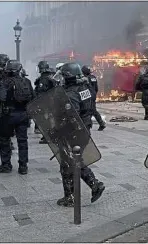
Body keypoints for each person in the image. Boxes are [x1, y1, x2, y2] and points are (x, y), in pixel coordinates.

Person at [56, 62, 105, 207]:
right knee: (74, 160)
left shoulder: (71, 93)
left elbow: (72, 115)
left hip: (73, 131)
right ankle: (90, 186)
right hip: (85, 128)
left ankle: (90, 186)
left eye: (64, 76)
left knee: (68, 162)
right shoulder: (85, 87)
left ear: (68, 76)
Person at [0, 60, 34, 174]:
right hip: (23, 115)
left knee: (4, 140)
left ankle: (6, 165)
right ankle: (23, 166)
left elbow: (1, 98)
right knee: (22, 141)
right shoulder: (27, 81)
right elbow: (33, 98)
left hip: (7, 116)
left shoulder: (4, 82)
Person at [34, 61, 57, 142]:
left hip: (45, 103)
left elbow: (41, 92)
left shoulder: (43, 79)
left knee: (45, 120)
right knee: (50, 119)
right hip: (51, 102)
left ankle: (48, 137)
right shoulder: (50, 77)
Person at [81, 65, 106, 131]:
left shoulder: (85, 78)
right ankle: (100, 124)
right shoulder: (93, 77)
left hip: (88, 96)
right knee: (92, 110)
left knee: (90, 110)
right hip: (93, 95)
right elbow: (96, 88)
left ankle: (101, 124)